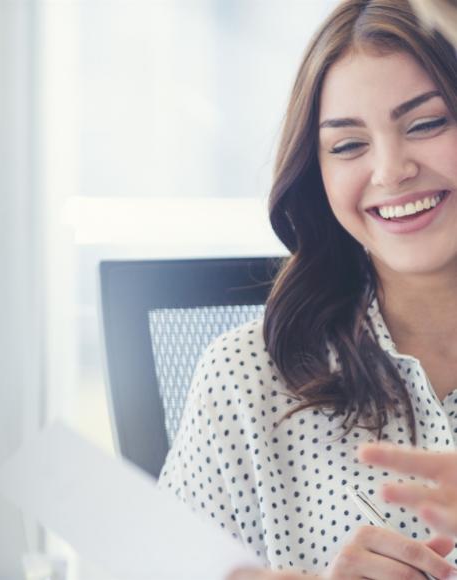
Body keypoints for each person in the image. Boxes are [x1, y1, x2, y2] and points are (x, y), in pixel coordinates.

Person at [157, 0, 457, 578]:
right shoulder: (246, 380)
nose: (391, 170)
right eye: (347, 145)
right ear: (315, 176)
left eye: (426, 123)